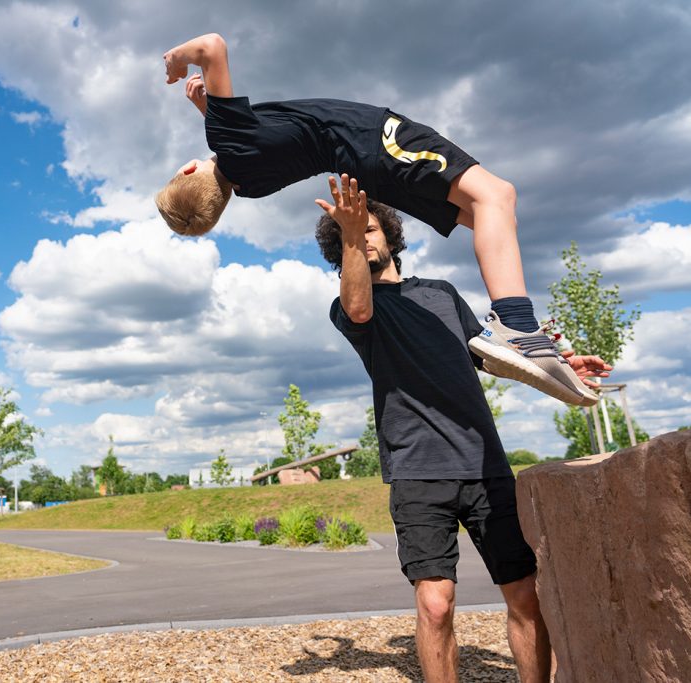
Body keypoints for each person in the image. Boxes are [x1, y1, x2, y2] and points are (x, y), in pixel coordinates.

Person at [157, 32, 598, 406]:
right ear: (188, 169)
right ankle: (518, 326)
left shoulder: (250, 183)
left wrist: (208, 108)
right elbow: (212, 46)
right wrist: (178, 62)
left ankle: (537, 348)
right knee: (497, 196)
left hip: (371, 172)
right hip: (377, 141)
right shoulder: (227, 140)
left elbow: (259, 147)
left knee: (489, 216)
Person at [316, 174, 612, 683]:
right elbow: (360, 305)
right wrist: (347, 234)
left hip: (485, 465)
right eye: (351, 234)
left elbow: (494, 357)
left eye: (368, 229)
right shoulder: (349, 307)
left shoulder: (441, 294)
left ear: (389, 234)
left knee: (524, 594)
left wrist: (559, 363)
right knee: (436, 605)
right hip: (417, 474)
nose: (363, 238)